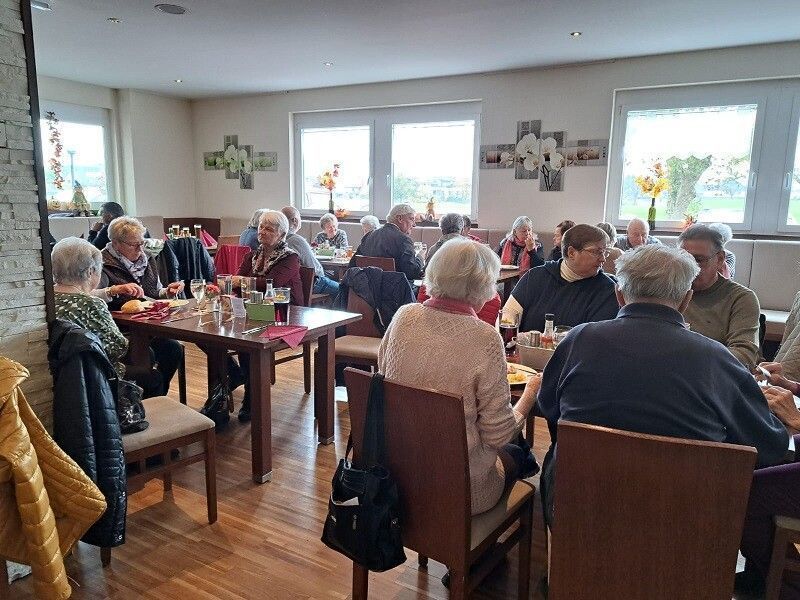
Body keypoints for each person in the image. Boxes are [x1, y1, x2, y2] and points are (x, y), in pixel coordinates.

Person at [537, 244, 788, 528]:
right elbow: (769, 445)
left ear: (619, 295)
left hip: (577, 511)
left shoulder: (578, 340)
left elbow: (549, 407)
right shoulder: (716, 358)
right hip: (684, 524)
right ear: (686, 300)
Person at [379, 237, 539, 515]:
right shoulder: (485, 337)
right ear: (484, 286)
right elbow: (499, 435)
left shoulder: (404, 316)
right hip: (461, 490)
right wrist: (529, 395)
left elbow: (383, 375)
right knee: (519, 454)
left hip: (397, 475)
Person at [52, 237, 165, 398]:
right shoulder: (90, 304)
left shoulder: (47, 299)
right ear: (90, 272)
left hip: (65, 373)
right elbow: (118, 347)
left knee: (152, 355)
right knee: (153, 377)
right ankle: (134, 412)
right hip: (97, 375)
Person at [99, 216, 184, 395]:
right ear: (115, 243)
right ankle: (144, 399)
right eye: (134, 244)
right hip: (122, 331)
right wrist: (114, 290)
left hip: (150, 327)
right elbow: (93, 296)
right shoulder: (102, 264)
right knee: (147, 355)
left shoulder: (147, 259)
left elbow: (155, 291)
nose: (140, 248)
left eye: (142, 243)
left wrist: (167, 292)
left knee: (173, 349)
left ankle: (157, 397)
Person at [235, 210, 303, 422]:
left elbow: (272, 284)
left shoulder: (290, 257)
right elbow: (238, 282)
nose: (262, 232)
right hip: (255, 311)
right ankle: (232, 378)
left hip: (286, 314)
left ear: (281, 234)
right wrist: (238, 284)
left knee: (246, 341)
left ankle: (251, 395)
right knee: (219, 336)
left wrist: (242, 282)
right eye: (261, 227)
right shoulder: (252, 256)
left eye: (269, 229)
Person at [503, 224, 618, 333]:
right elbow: (507, 318)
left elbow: (597, 337)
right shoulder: (535, 277)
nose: (603, 259)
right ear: (571, 253)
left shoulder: (607, 290)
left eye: (605, 252)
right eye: (596, 252)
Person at [678, 223, 760, 369]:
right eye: (684, 259)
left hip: (712, 377)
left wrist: (688, 358)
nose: (690, 267)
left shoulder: (741, 298)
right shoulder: (668, 291)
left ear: (720, 259)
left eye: (698, 260)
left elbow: (744, 356)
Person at [349, 203, 424, 282]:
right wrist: (420, 257)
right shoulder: (404, 240)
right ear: (400, 219)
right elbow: (411, 272)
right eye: (411, 219)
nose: (414, 224)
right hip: (395, 288)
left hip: (366, 288)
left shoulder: (369, 236)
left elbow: (353, 265)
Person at [280, 206, 339, 296]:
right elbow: (313, 267)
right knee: (343, 290)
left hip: (289, 284)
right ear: (295, 220)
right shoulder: (297, 240)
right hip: (309, 283)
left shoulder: (277, 238)